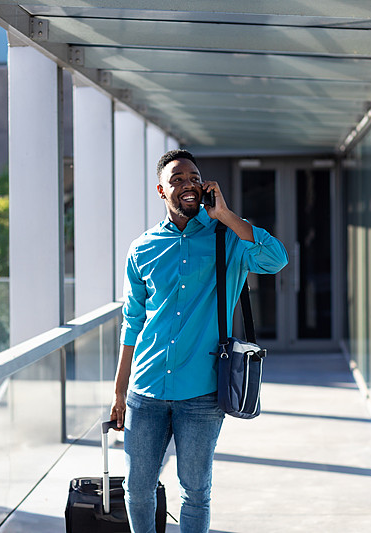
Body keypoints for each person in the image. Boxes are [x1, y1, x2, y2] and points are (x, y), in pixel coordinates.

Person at [110, 149, 288, 533]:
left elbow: (276, 259)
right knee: (137, 489)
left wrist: (223, 214)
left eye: (193, 177)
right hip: (147, 388)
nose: (187, 184)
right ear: (161, 191)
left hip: (203, 394)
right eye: (177, 179)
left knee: (195, 491)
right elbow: (132, 322)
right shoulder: (142, 248)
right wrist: (119, 391)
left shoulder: (229, 239)